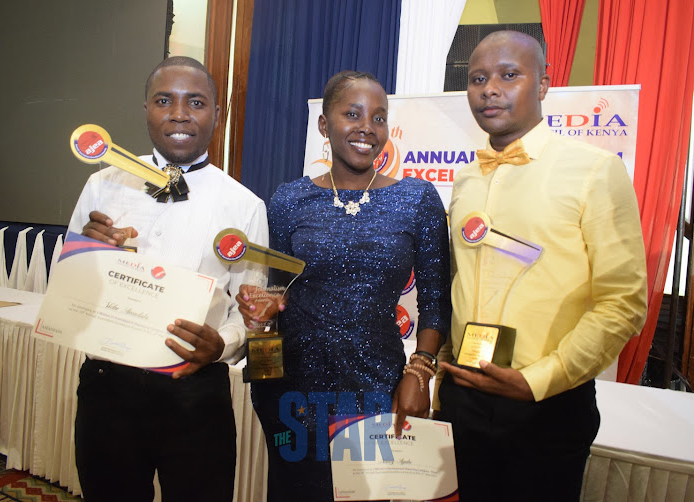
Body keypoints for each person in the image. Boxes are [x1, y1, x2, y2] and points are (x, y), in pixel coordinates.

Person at [435, 31, 648, 502]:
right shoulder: (468, 178)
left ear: (545, 84)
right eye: (477, 78)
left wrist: (537, 381)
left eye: (509, 75)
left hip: (548, 405)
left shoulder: (594, 170)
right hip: (463, 399)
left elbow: (624, 302)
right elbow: (460, 280)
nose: (490, 88)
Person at [237, 70, 451, 502]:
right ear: (323, 124)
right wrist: (259, 308)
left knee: (370, 494)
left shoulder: (417, 199)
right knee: (295, 492)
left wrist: (419, 371)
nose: (366, 129)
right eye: (352, 114)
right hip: (290, 390)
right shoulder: (288, 198)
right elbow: (279, 289)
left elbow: (436, 302)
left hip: (376, 387)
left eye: (378, 118)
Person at [68, 56, 268, 502]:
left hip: (195, 392)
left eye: (195, 102)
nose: (179, 113)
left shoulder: (245, 206)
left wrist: (225, 343)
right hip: (108, 386)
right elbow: (67, 284)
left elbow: (252, 312)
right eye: (165, 100)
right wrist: (86, 255)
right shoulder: (102, 186)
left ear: (218, 114)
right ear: (146, 110)